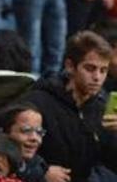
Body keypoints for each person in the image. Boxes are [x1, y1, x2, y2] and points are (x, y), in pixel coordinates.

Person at [23, 31, 117, 181]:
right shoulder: (38, 101)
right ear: (70, 66)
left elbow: (109, 162)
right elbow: (11, 143)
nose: (97, 77)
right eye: (90, 68)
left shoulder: (102, 108)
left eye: (103, 70)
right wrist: (41, 171)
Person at [0, 102, 72, 182]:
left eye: (39, 132)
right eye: (26, 131)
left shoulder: (37, 167)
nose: (35, 138)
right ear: (4, 131)